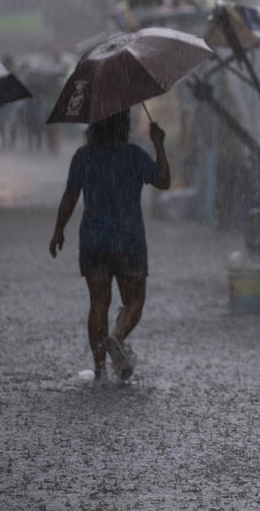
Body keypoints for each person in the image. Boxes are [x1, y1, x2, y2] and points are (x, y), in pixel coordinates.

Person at [49, 109, 171, 381]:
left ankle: (100, 368)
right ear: (124, 124)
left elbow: (70, 196)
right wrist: (159, 143)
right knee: (134, 301)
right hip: (129, 242)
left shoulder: (83, 157)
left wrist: (58, 231)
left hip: (94, 242)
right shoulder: (134, 156)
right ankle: (117, 336)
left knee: (98, 303)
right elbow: (164, 181)